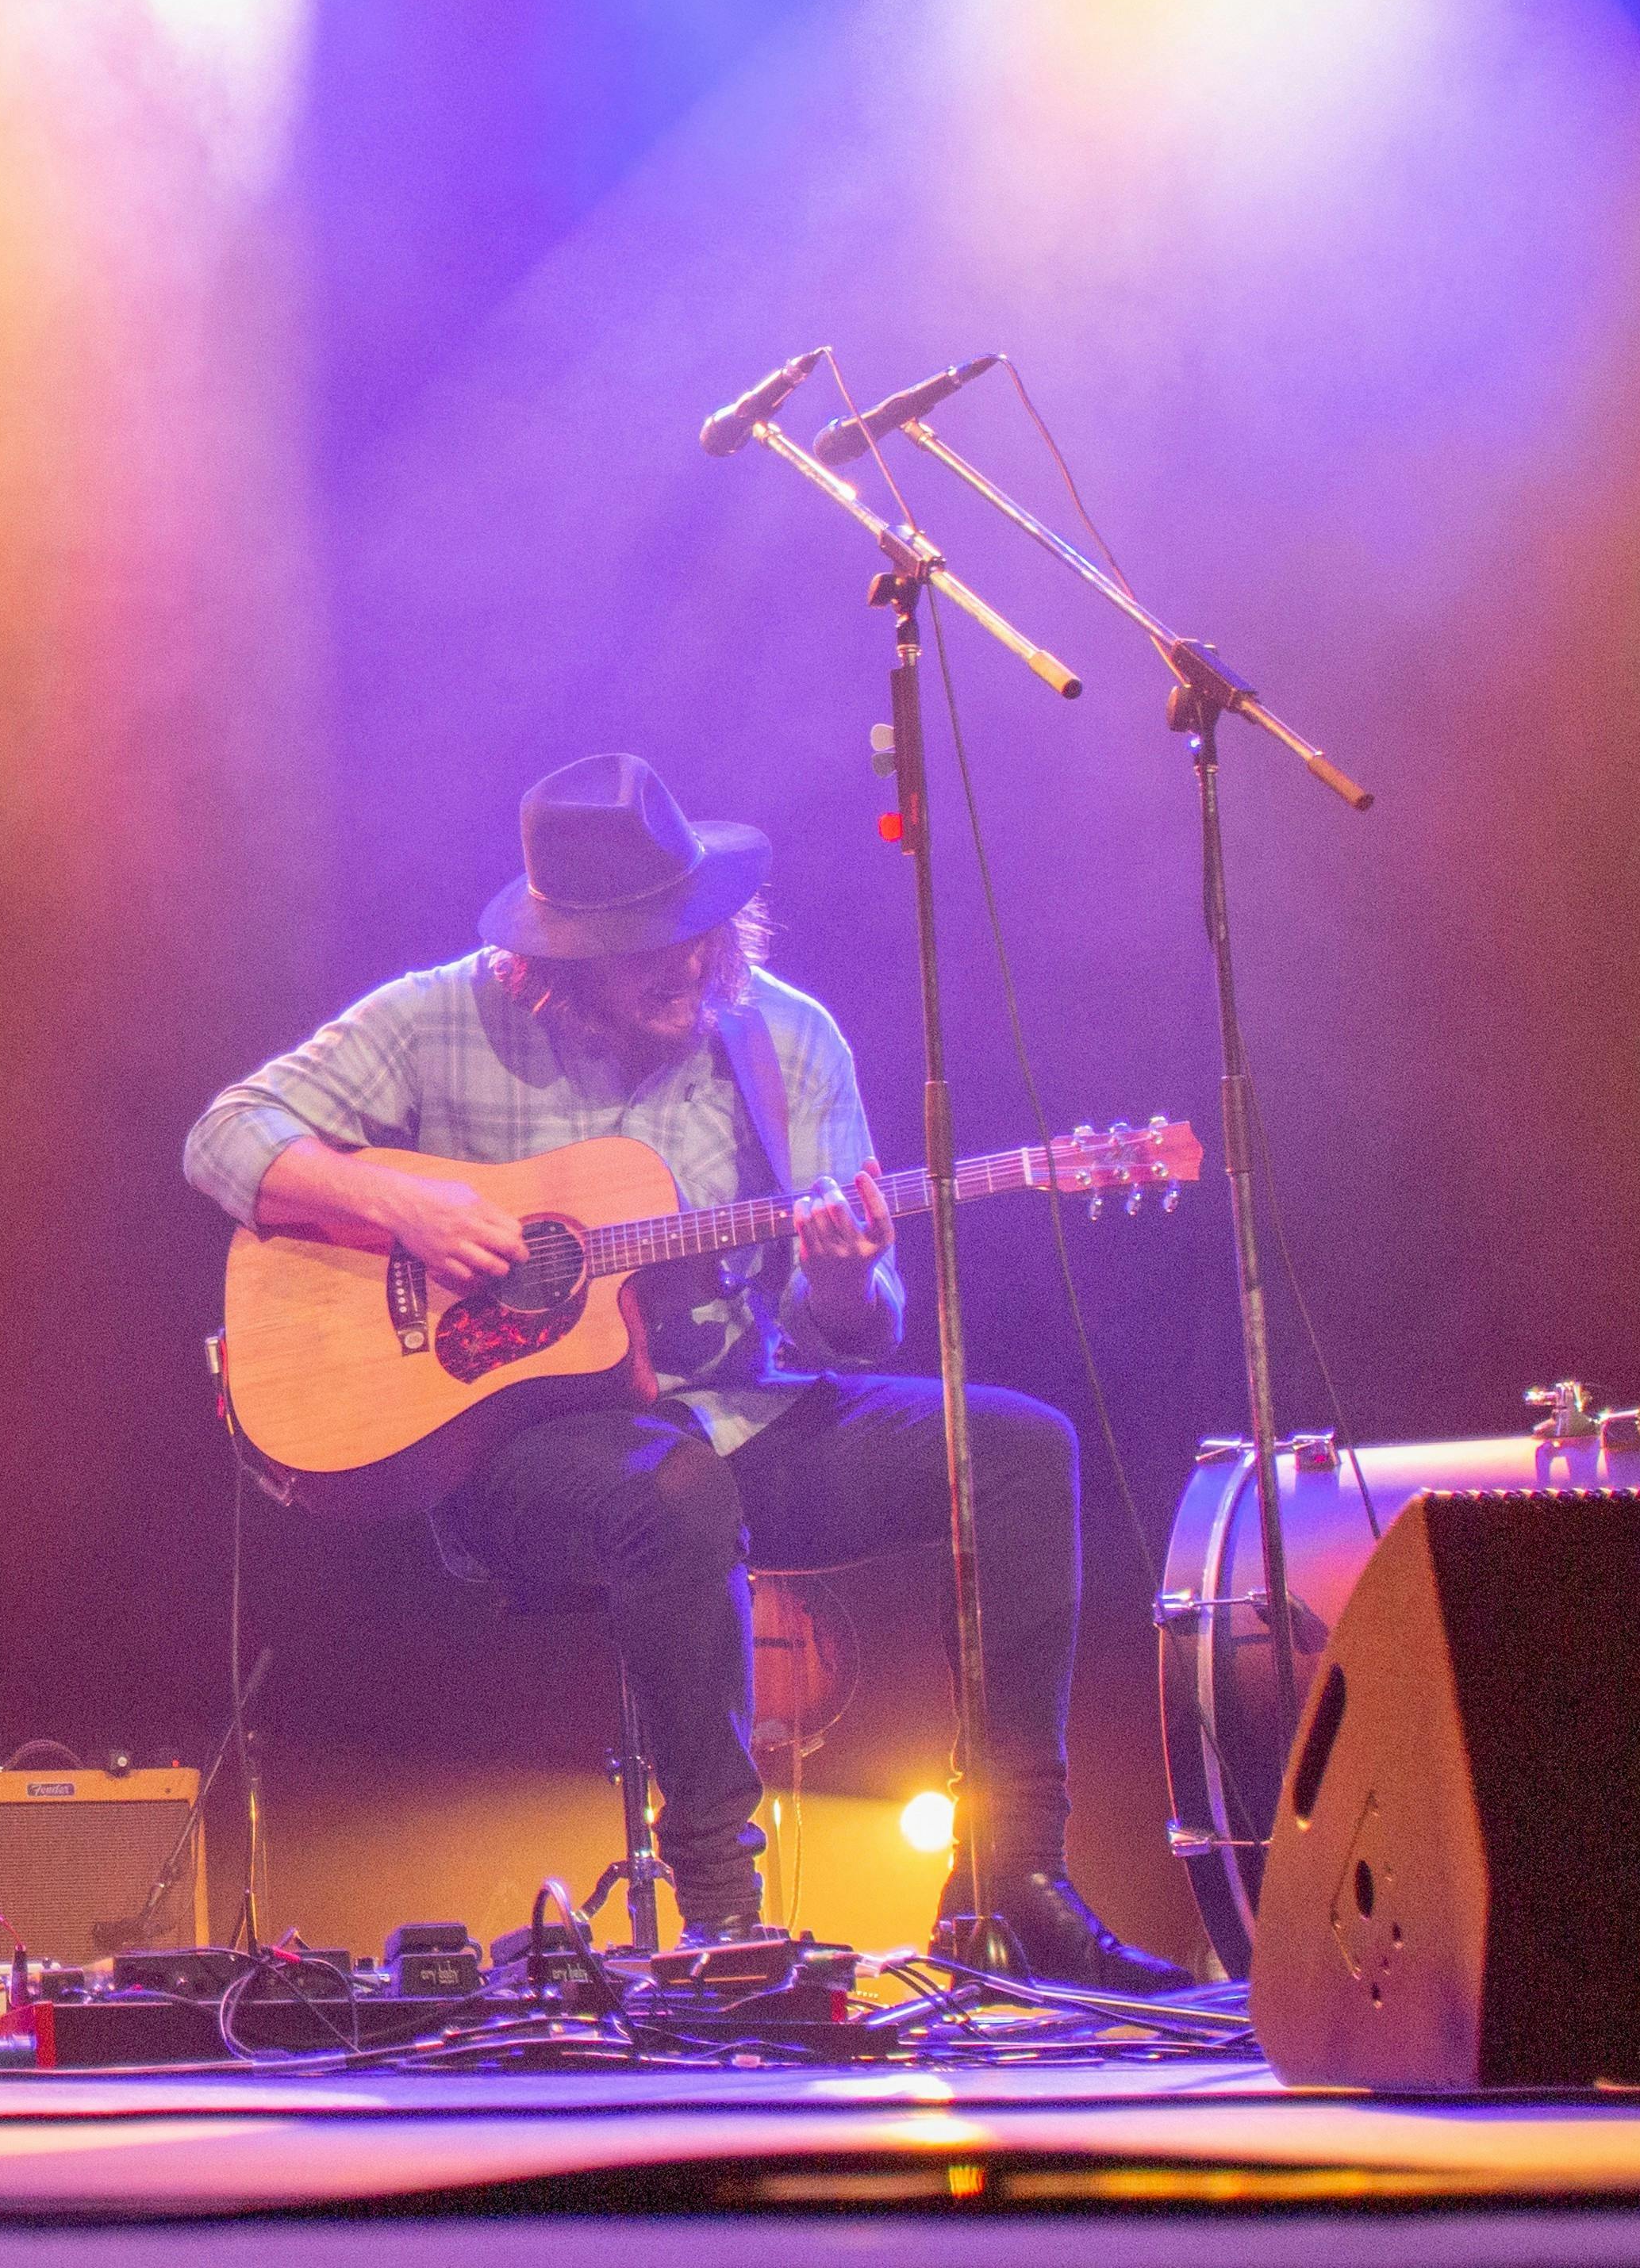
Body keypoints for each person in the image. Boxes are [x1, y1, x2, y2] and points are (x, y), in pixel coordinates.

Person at [183, 752, 1183, 1992]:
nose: (688, 962)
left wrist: (834, 1281)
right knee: (670, 1487)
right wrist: (406, 1207)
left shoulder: (788, 1038)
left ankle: (1012, 1880)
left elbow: (856, 1330)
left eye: (700, 930)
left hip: (739, 1416)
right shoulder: (441, 1017)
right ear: (554, 958)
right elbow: (225, 1136)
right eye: (644, 943)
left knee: (1022, 1453)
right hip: (522, 1457)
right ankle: (725, 1919)